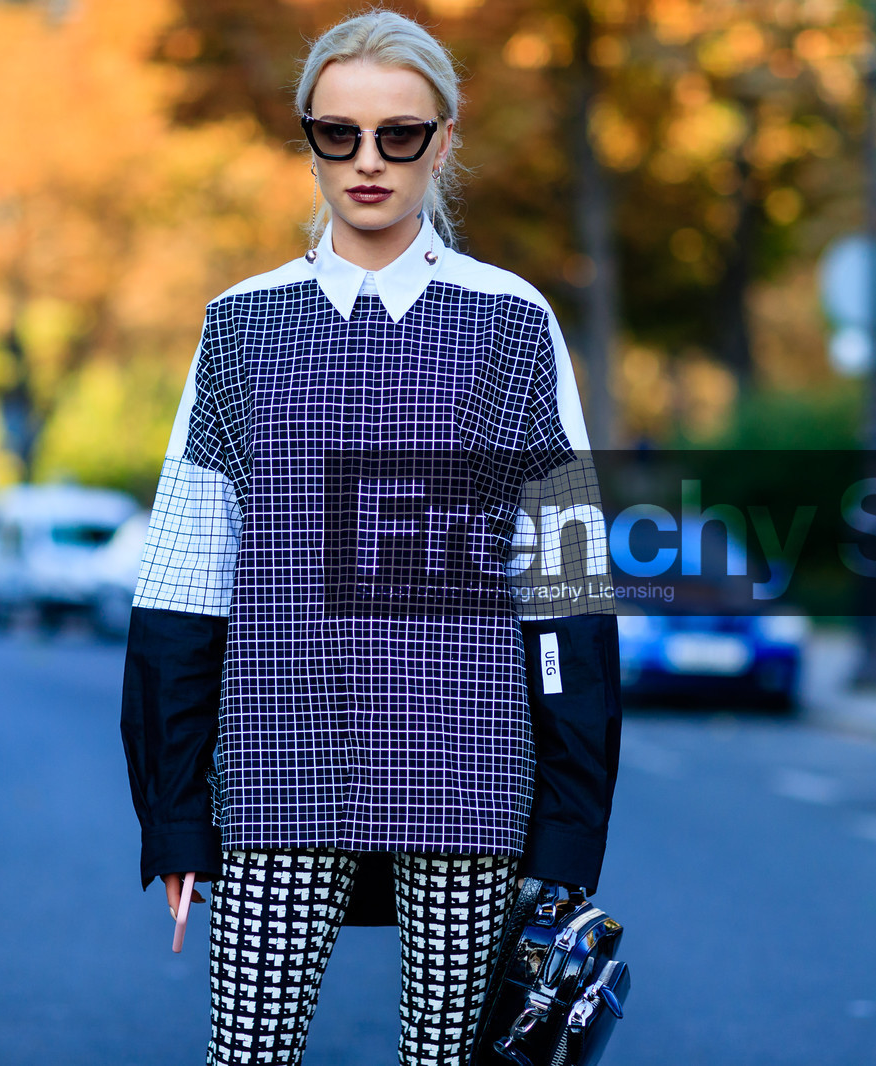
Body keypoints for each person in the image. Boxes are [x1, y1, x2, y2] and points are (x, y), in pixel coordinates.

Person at [120, 10, 621, 1065]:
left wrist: (569, 830)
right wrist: (170, 813)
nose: (367, 160)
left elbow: (568, 594)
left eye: (400, 133)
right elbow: (183, 584)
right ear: (307, 138)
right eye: (336, 134)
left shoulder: (513, 322)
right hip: (273, 760)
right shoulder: (239, 325)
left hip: (468, 764)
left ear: (442, 140)